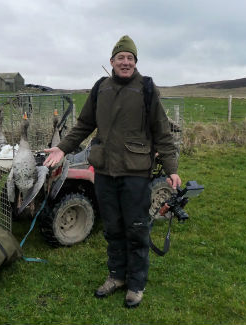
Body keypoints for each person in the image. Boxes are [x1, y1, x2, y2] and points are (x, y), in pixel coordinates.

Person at [43, 35, 181, 308]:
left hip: (135, 173)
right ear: (112, 61)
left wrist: (172, 169)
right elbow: (83, 125)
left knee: (137, 228)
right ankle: (116, 275)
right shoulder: (100, 88)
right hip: (104, 172)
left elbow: (162, 133)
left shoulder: (147, 89)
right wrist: (62, 148)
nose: (126, 62)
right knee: (113, 229)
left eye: (130, 58)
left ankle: (136, 283)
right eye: (121, 58)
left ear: (135, 62)